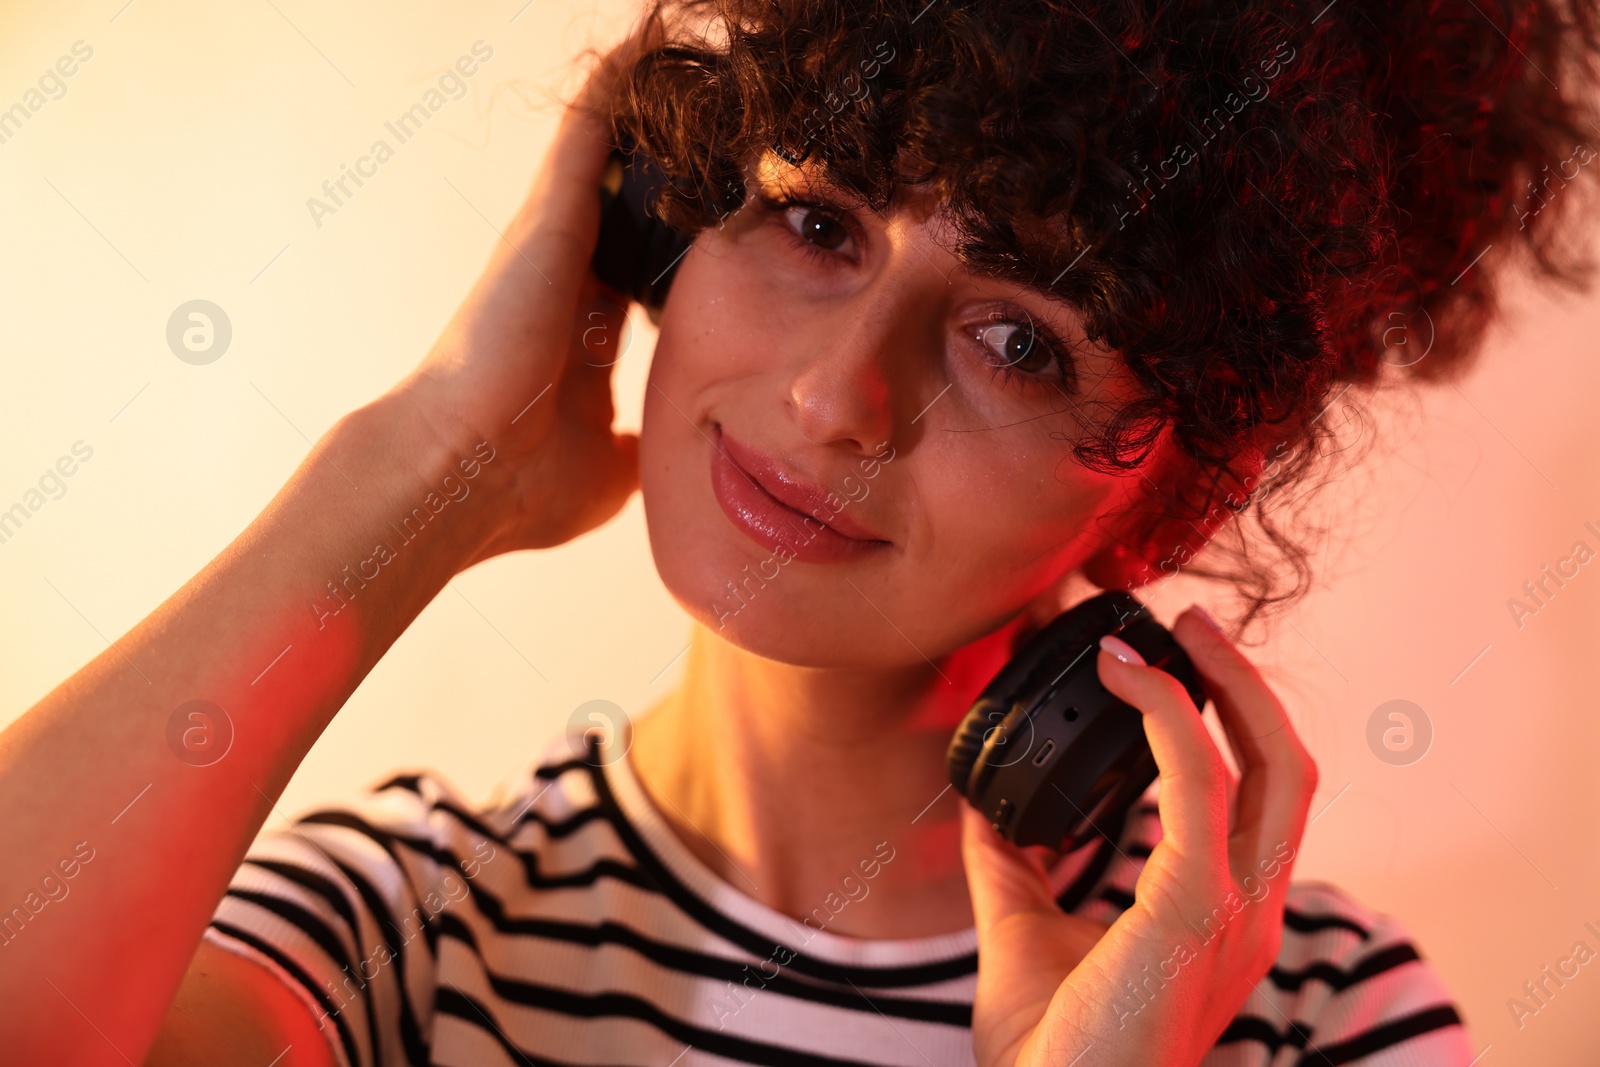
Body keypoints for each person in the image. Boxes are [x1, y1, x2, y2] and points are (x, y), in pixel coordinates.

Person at [3, 0, 1597, 1063]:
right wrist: (418, 469)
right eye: (819, 221)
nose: (844, 394)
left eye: (1023, 336)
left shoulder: (1313, 1014)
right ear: (658, 224)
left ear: (1177, 479)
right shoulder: (410, 935)